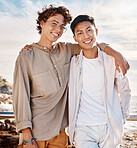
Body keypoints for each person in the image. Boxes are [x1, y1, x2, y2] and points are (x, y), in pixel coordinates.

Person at [13, 5, 129, 148]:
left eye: (62, 26)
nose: (58, 30)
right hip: (36, 135)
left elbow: (89, 43)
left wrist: (114, 52)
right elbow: (20, 99)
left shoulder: (66, 50)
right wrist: (28, 138)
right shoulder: (26, 57)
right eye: (54, 24)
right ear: (42, 23)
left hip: (60, 135)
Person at [68, 15, 131, 148]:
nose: (86, 36)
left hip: (109, 126)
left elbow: (125, 90)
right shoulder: (72, 63)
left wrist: (122, 117)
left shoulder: (112, 61)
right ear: (75, 38)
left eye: (89, 30)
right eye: (80, 33)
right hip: (83, 128)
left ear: (96, 31)